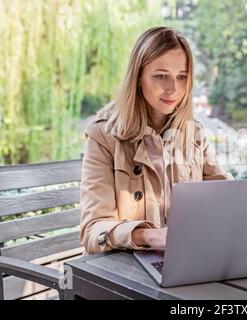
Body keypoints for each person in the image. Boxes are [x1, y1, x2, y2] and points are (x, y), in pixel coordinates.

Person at [80, 26, 232, 254]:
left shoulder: (193, 133)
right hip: (124, 268)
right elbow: (93, 231)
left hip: (182, 259)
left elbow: (227, 195)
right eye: (162, 76)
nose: (173, 89)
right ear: (138, 77)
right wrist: (148, 235)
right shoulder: (103, 135)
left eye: (181, 77)